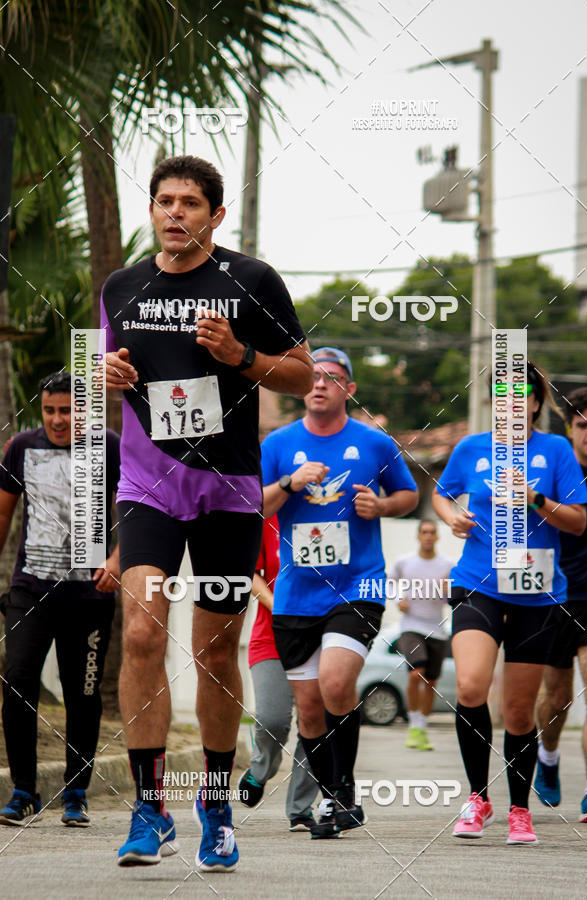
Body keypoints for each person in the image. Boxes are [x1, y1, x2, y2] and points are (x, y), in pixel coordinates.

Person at [101, 155, 312, 871]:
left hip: (228, 490)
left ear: (216, 215)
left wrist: (241, 354)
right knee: (140, 632)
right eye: (164, 200)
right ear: (152, 209)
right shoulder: (122, 286)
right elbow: (110, 366)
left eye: (190, 202)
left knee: (216, 651)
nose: (175, 212)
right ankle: (148, 808)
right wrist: (109, 374)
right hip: (149, 485)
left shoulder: (252, 280)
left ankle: (215, 806)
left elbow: (301, 373)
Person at [261, 347, 418, 839]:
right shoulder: (278, 443)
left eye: (330, 377)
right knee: (309, 709)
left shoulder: (374, 443)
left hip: (358, 584)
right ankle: (334, 798)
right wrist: (290, 482)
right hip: (296, 593)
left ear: (349, 389)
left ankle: (344, 793)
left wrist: (382, 506)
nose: (319, 383)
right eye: (312, 375)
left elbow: (409, 495)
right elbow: (252, 505)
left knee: (334, 682)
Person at [432, 360, 587, 846]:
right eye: (503, 395)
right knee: (471, 687)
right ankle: (477, 798)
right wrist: (452, 516)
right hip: (477, 583)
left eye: (522, 395)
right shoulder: (471, 448)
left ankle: (520, 809)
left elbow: (578, 521)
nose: (512, 404)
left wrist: (536, 498)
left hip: (536, 592)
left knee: (519, 712)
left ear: (537, 403)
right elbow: (441, 494)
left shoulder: (556, 449)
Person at [0, 371, 120, 827]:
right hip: (30, 588)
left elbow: (134, 504)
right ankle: (23, 791)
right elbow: (3, 513)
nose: (57, 419)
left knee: (82, 693)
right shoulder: (21, 447)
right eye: (49, 410)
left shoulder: (108, 446)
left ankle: (76, 792)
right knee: (18, 679)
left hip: (89, 594)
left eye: (67, 411)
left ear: (85, 410)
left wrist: (118, 558)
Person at [534, 386, 587, 822]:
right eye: (583, 424)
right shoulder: (554, 470)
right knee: (556, 698)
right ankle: (548, 756)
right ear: (570, 429)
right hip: (553, 596)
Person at [238, 515, 319, 830]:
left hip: (319, 635)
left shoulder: (329, 512)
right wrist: (279, 608)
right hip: (271, 634)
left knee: (315, 721)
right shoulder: (267, 514)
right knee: (272, 720)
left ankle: (301, 807)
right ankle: (261, 769)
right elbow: (251, 573)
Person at [388, 519, 452, 751]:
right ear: (418, 536)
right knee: (417, 674)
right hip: (411, 626)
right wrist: (398, 599)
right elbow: (389, 582)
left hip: (437, 629)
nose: (428, 536)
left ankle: (421, 728)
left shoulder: (448, 565)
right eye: (424, 532)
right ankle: (413, 725)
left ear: (437, 537)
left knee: (431, 682)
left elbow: (454, 597)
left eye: (432, 532)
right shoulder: (404, 562)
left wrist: (448, 592)